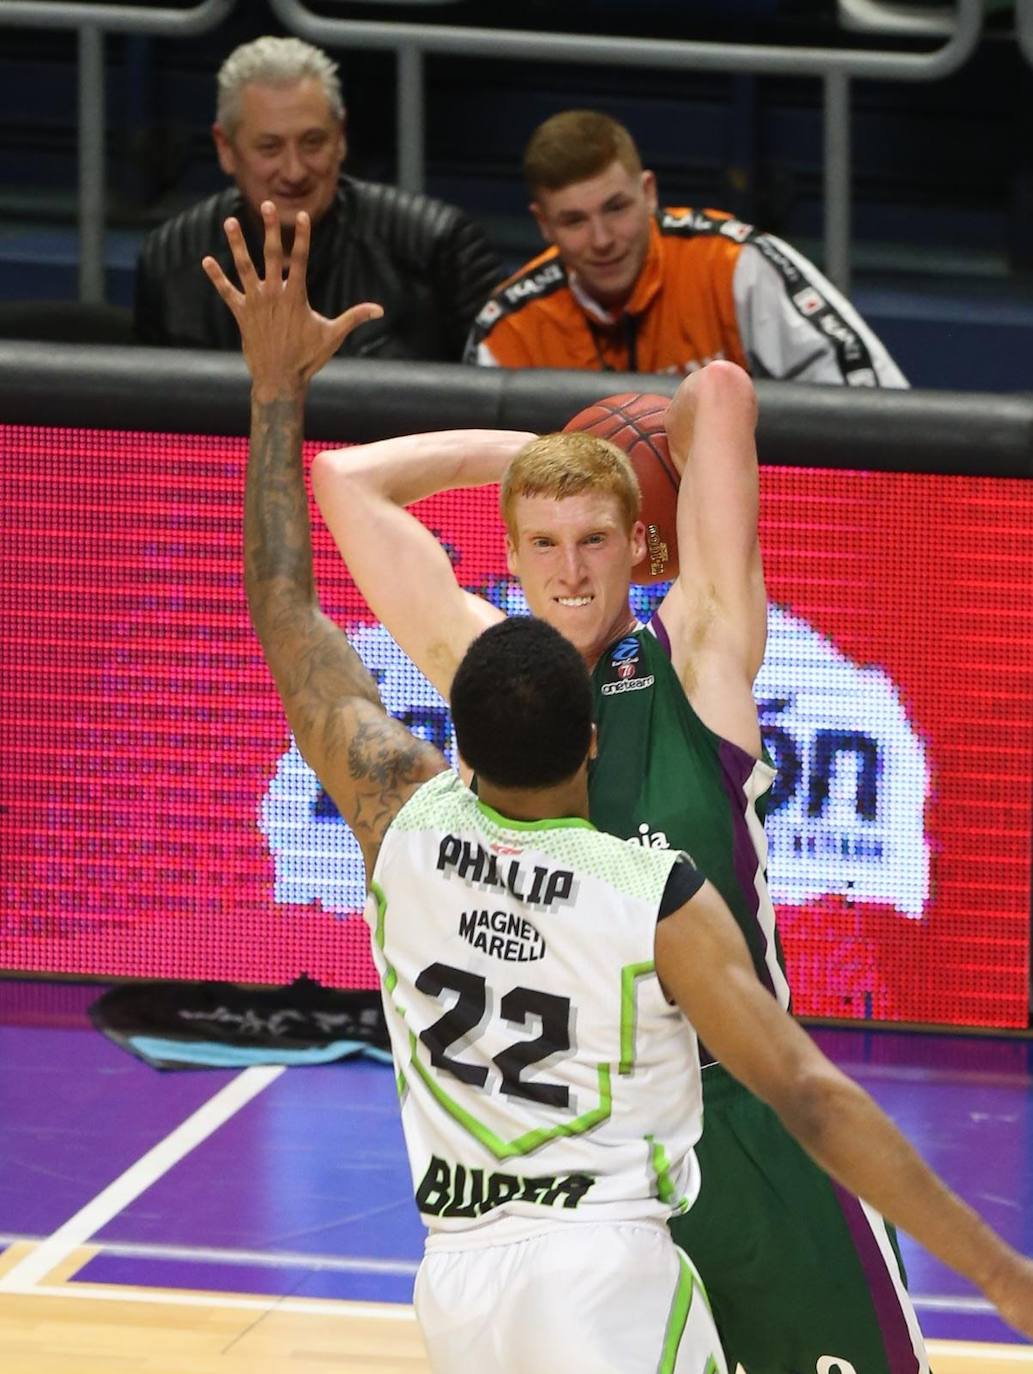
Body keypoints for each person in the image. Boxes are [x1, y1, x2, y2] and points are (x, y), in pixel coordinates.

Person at [205, 208, 1033, 1374]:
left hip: (744, 1121)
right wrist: (534, 455)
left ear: (640, 544)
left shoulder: (694, 651)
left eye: (595, 536)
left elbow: (721, 396)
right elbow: (346, 485)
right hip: (598, 1167)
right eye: (541, 541)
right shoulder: (493, 667)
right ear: (509, 554)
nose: (570, 567)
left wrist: (599, 447)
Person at [465, 108, 907, 388]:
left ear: (649, 192)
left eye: (616, 207)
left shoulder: (734, 264)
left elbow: (873, 403)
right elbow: (478, 503)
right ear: (543, 224)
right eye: (574, 221)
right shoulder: (510, 332)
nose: (601, 239)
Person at [134, 35, 503, 360]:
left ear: (340, 138)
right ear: (225, 148)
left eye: (313, 142)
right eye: (270, 147)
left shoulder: (438, 246)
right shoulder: (171, 259)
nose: (294, 171)